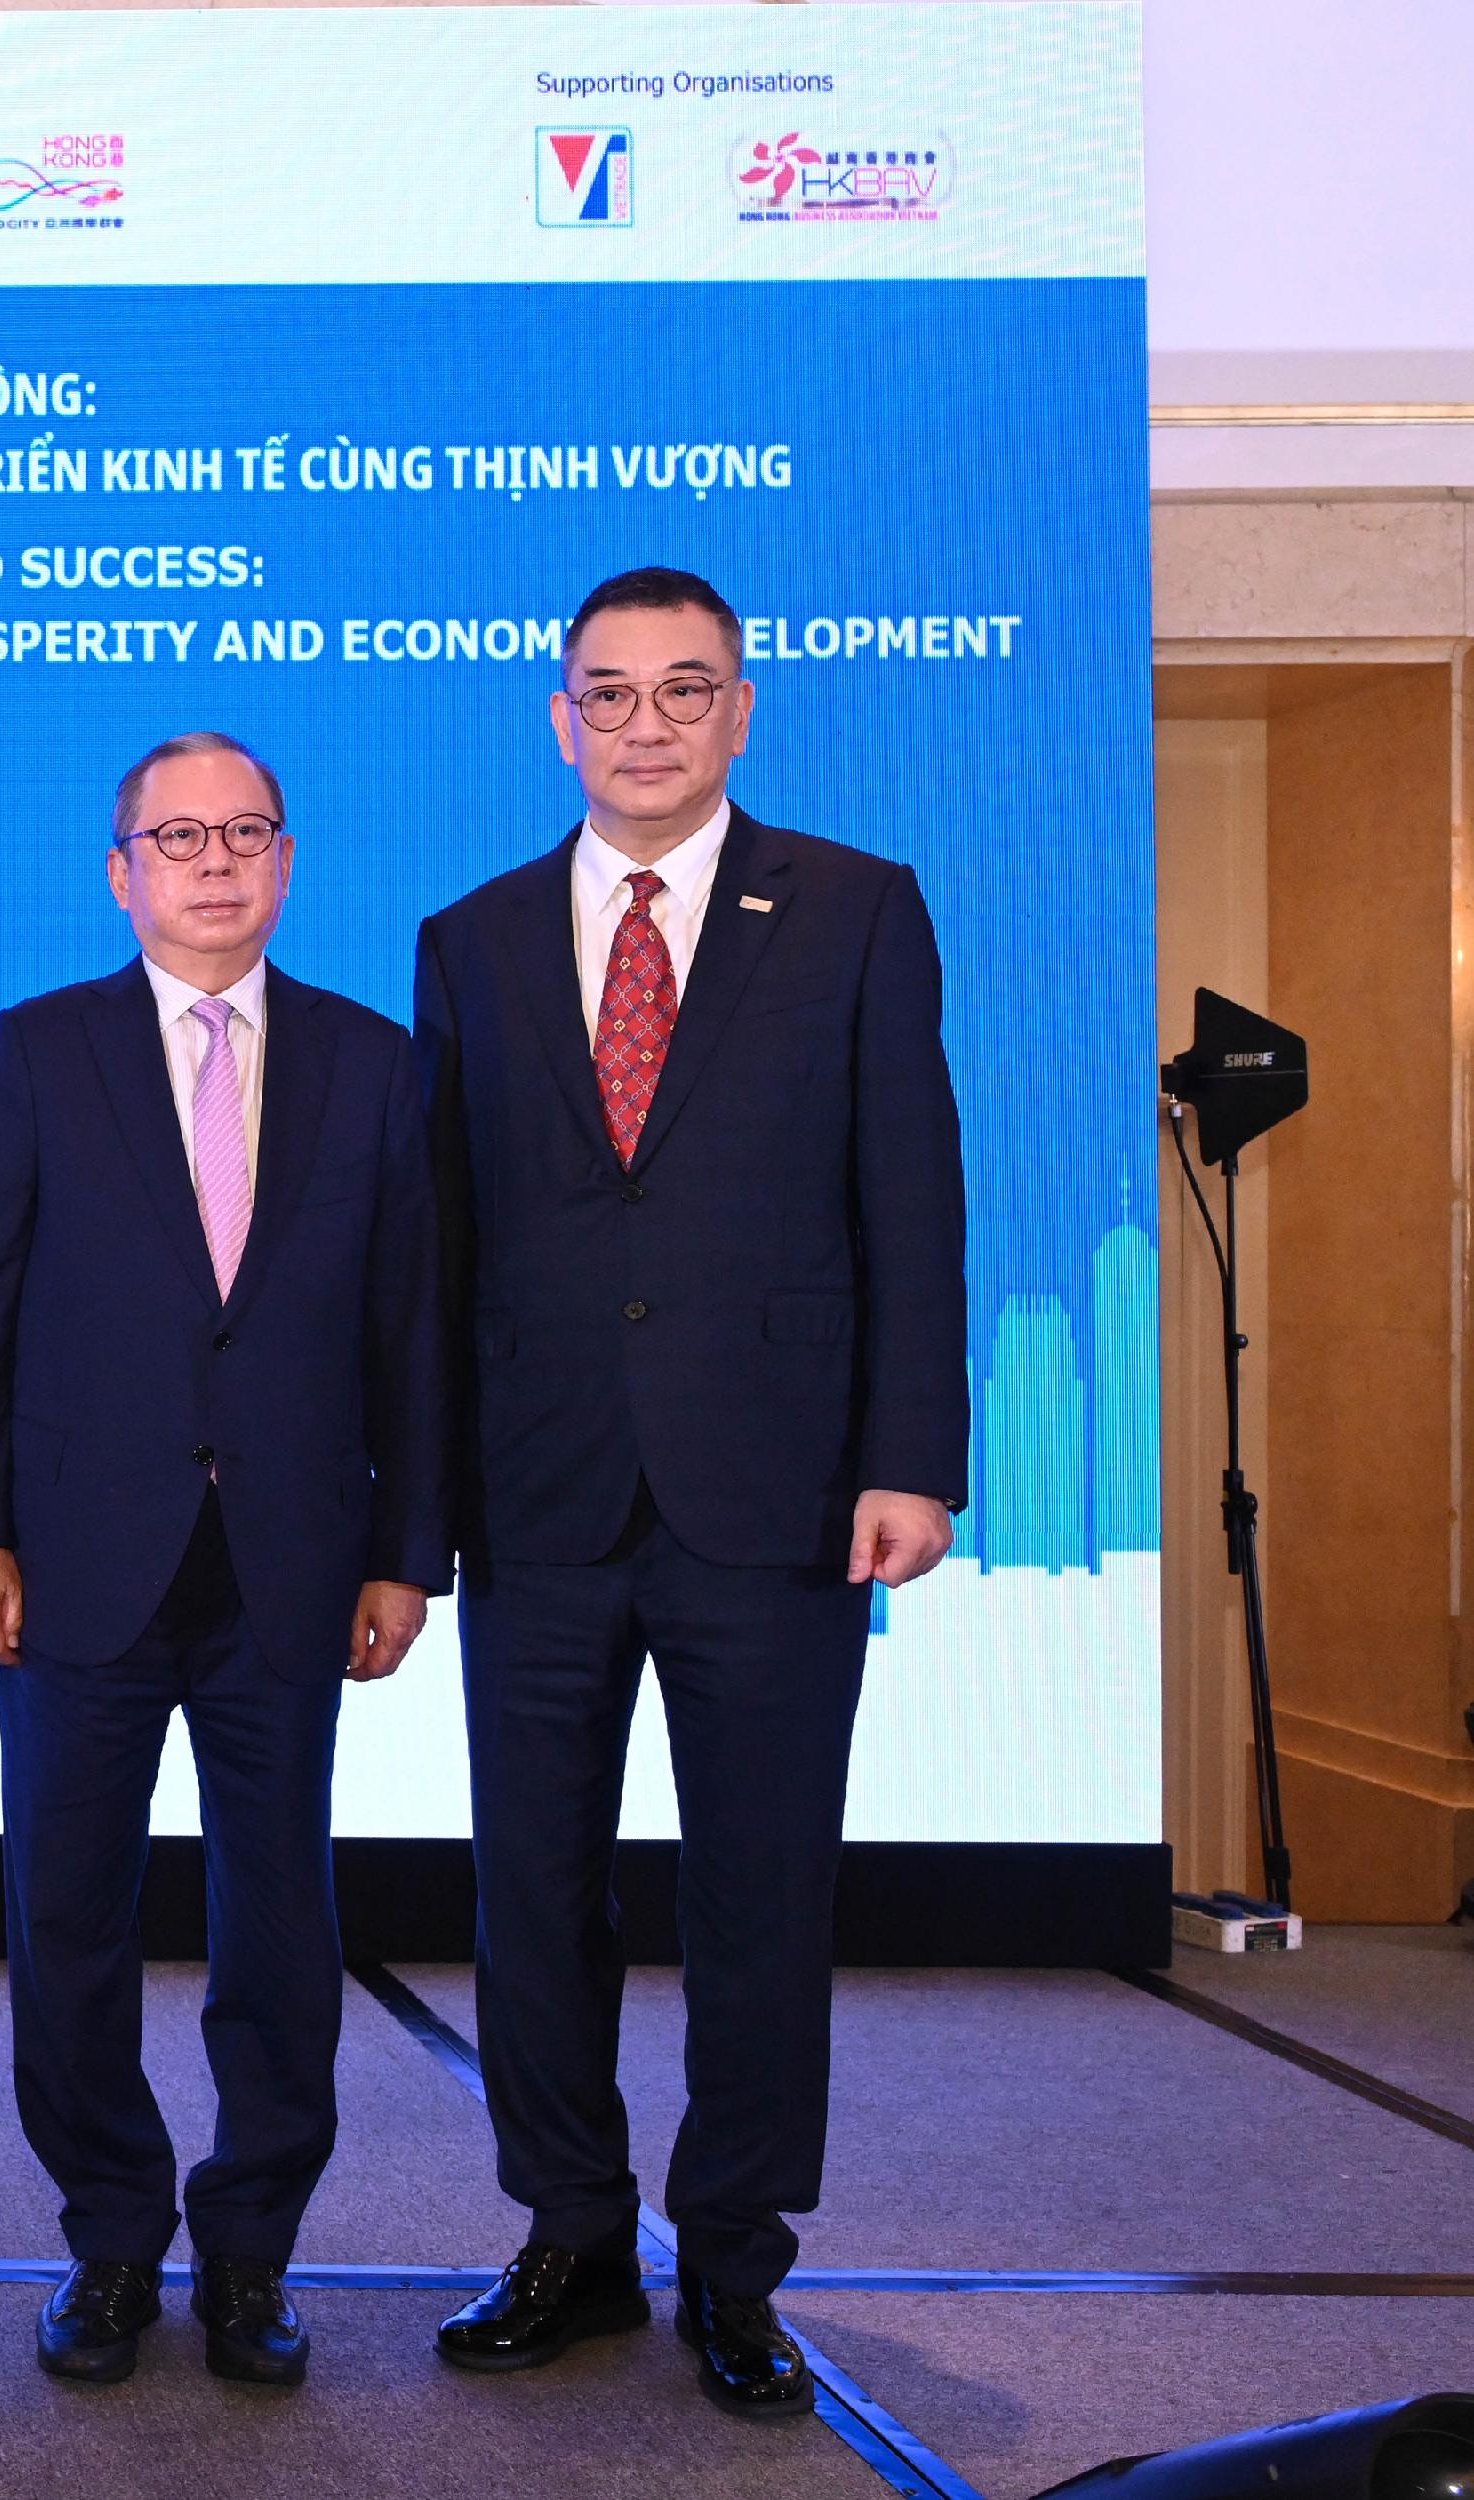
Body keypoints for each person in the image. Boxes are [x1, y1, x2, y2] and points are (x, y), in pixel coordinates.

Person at [413, 566, 966, 2416]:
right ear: (559, 717)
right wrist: (422, 1513)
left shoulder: (860, 912)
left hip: (788, 1494)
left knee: (759, 1894)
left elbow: (913, 1197)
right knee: (532, 1892)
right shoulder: (472, 938)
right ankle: (569, 2231)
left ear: (742, 712)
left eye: (684, 690)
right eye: (609, 692)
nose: (645, 722)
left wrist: (913, 1454)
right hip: (540, 1495)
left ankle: (735, 2261)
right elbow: (444, 1245)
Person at [0, 734, 445, 2389]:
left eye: (243, 834)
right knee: (66, 1918)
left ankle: (248, 2251)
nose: (212, 862)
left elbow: (411, 1331)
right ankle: (106, 2240)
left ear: (286, 863)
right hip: (76, 1562)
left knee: (279, 1925)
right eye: (176, 836)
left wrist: (405, 1549)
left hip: (294, 1560)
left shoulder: (375, 1065)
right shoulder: (38, 1052)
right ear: (120, 870)